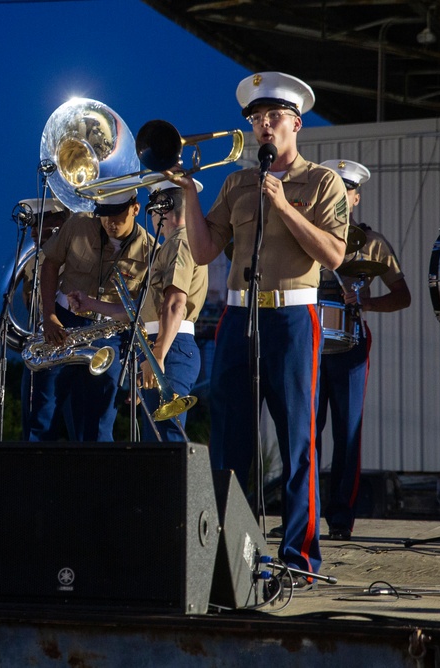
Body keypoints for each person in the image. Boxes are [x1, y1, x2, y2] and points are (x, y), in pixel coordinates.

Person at [170, 72, 350, 579]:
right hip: (238, 314)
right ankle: (235, 554)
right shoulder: (237, 182)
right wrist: (187, 192)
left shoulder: (322, 182)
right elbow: (205, 251)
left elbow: (334, 254)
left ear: (296, 123)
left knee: (298, 442)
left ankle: (300, 558)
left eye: (272, 118)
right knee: (230, 439)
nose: (263, 127)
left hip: (294, 315)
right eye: (255, 119)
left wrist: (285, 207)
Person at [70, 178, 208, 442]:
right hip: (163, 344)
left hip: (169, 346)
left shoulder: (180, 242)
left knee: (167, 439)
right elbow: (142, 312)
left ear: (162, 209)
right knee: (156, 441)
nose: (152, 215)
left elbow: (175, 304)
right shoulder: (172, 245)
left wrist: (157, 355)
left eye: (154, 208)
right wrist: (91, 304)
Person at [314, 159, 410, 541]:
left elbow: (403, 296)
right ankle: (303, 513)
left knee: (347, 435)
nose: (339, 197)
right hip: (308, 342)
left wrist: (366, 304)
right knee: (306, 433)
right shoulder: (304, 235)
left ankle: (340, 519)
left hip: (350, 346)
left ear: (354, 199)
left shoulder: (372, 242)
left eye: (345, 192)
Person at [40, 182, 152, 441]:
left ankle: (96, 479)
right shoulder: (79, 223)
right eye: (105, 214)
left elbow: (144, 312)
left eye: (118, 215)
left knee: (98, 424)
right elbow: (50, 262)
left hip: (109, 336)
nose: (110, 222)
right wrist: (49, 315)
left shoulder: (150, 249)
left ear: (135, 209)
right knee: (45, 414)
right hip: (63, 324)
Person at [15, 195, 70, 441]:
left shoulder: (76, 253)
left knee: (72, 421)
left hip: (72, 340)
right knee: (38, 420)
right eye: (33, 225)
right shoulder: (33, 260)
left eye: (41, 224)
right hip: (42, 345)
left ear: (60, 222)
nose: (34, 231)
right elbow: (29, 299)